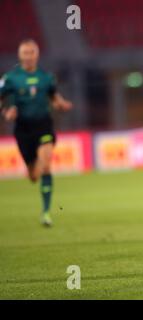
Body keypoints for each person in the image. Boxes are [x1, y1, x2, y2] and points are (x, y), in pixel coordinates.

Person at [0, 39, 72, 226]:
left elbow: (54, 97)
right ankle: (33, 170)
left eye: (32, 52)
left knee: (46, 166)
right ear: (20, 55)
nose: (29, 56)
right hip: (23, 130)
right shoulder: (10, 78)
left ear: (37, 54)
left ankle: (46, 212)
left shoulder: (46, 77)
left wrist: (61, 104)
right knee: (33, 175)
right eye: (25, 53)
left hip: (44, 126)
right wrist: (6, 112)